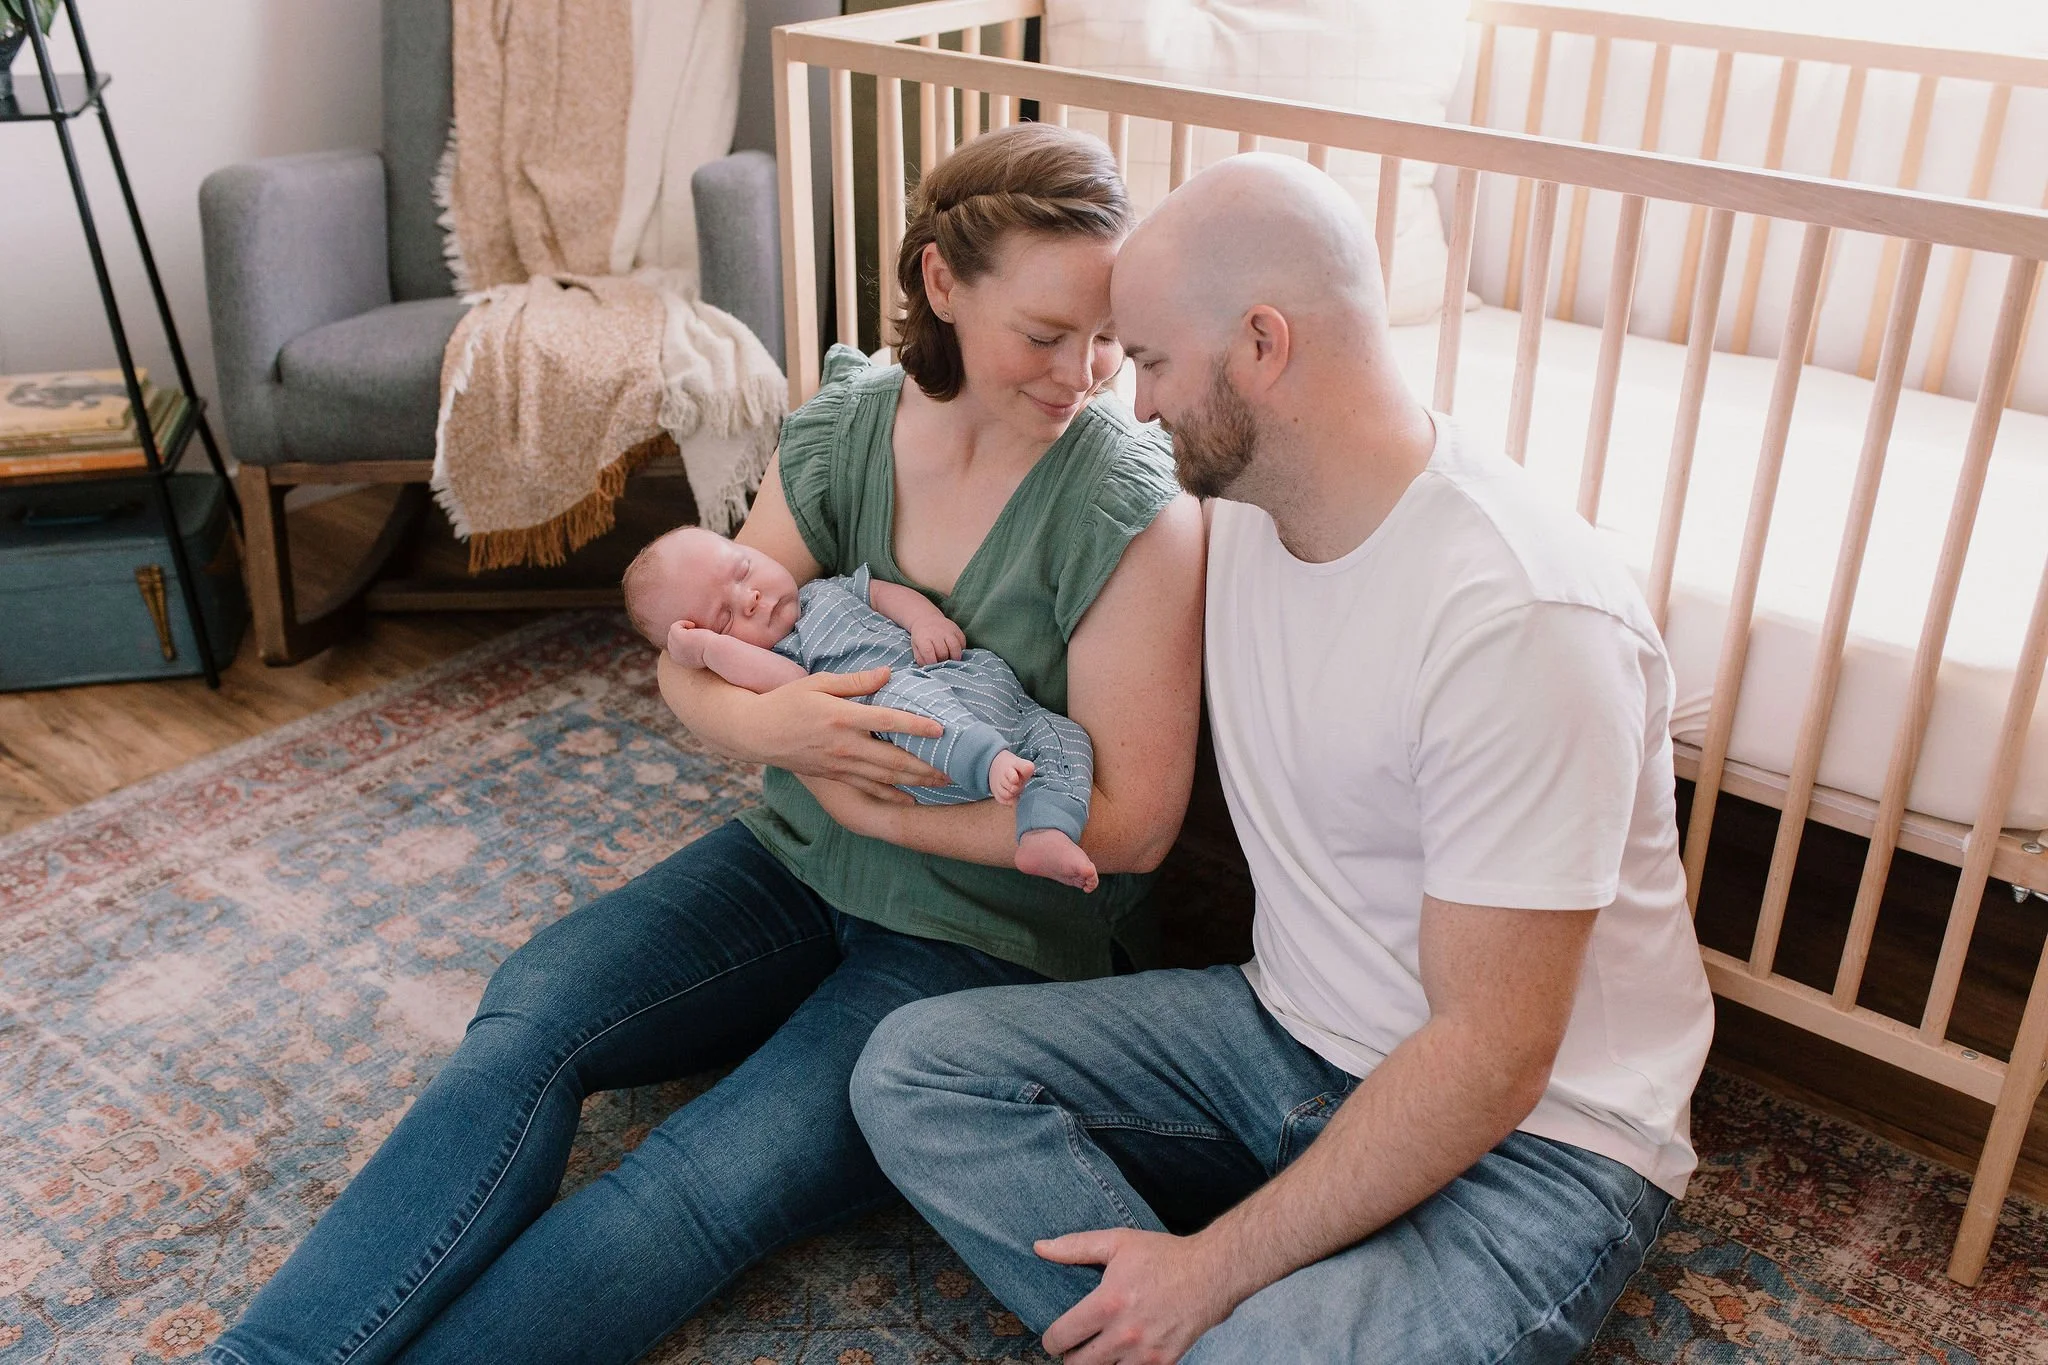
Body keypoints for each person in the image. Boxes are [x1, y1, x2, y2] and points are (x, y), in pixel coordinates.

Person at [206, 122, 1204, 1365]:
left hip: (983, 940)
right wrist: (779, 728)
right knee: (532, 1012)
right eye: (1046, 335)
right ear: (943, 286)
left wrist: (864, 801)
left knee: (691, 1182)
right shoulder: (853, 426)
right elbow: (692, 649)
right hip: (793, 858)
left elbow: (1131, 824)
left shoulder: (1128, 509)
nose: (1085, 371)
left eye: (1107, 336)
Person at [850, 153, 1715, 1364]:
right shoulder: (1240, 507)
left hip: (1537, 1145)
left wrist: (1213, 1267)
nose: (1131, 404)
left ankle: (1210, 1310)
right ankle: (1202, 1310)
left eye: (1146, 360)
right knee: (911, 1070)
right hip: (1285, 1038)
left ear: (1261, 345)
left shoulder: (1518, 620)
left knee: (1234, 1339)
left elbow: (1492, 1054)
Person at [621, 525, 1101, 889]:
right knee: (896, 693)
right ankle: (987, 759)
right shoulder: (778, 657)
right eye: (724, 618)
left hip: (977, 688)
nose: (750, 598)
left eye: (743, 569)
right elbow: (788, 688)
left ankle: (1047, 829)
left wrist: (924, 620)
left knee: (1061, 733)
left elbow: (882, 594)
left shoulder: (824, 590)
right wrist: (708, 652)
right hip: (914, 744)